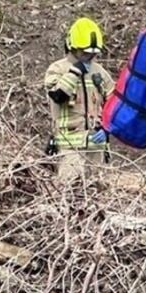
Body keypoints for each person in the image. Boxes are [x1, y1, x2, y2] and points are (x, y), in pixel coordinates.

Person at [43, 17, 115, 183]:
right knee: (70, 190)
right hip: (69, 149)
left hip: (96, 148)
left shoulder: (100, 73)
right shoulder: (57, 69)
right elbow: (58, 96)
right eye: (85, 52)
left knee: (98, 190)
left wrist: (107, 128)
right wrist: (74, 72)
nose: (90, 57)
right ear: (72, 47)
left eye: (93, 53)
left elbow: (114, 104)